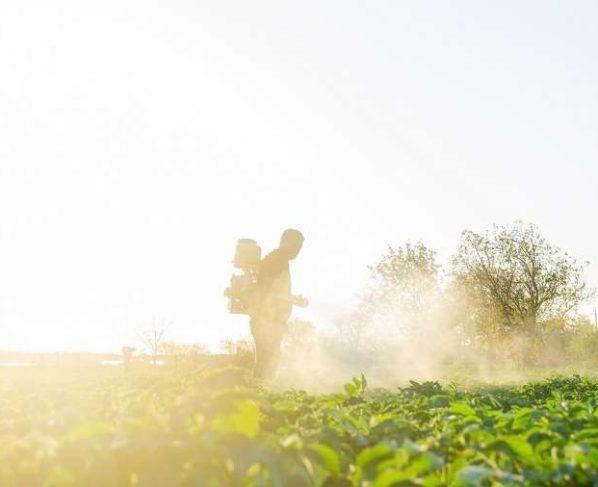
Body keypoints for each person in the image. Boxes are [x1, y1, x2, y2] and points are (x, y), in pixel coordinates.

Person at [249, 228, 307, 379]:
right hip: (266, 321)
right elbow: (269, 292)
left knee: (269, 363)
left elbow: (277, 292)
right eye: (295, 246)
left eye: (300, 247)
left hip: (272, 322)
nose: (297, 250)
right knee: (266, 364)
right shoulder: (275, 261)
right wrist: (294, 300)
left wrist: (293, 299)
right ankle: (258, 396)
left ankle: (260, 395)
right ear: (284, 242)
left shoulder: (281, 261)